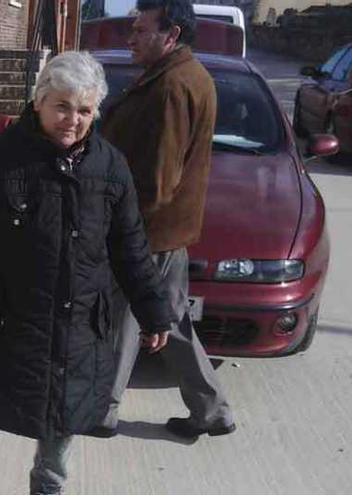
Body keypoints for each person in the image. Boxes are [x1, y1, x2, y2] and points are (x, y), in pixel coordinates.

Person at [0, 51, 173, 495]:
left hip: (77, 332)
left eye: (84, 110)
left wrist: (154, 309)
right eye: (61, 106)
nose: (72, 120)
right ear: (38, 101)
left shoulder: (110, 165)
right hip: (6, 325)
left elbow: (130, 246)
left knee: (62, 428)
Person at [91, 0, 236, 439]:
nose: (130, 38)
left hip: (148, 232)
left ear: (170, 35)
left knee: (123, 317)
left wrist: (123, 229)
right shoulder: (174, 76)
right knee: (169, 318)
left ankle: (103, 412)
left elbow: (156, 180)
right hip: (164, 231)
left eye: (140, 30)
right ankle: (212, 412)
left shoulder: (173, 87)